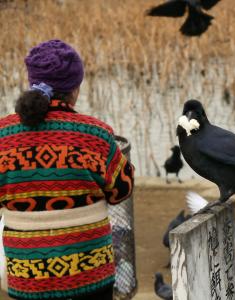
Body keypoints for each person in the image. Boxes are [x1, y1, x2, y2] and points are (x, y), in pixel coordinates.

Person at [0, 39, 134, 300]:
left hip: (27, 276)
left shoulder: (2, 137)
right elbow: (122, 190)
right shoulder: (95, 135)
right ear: (75, 88)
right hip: (91, 273)